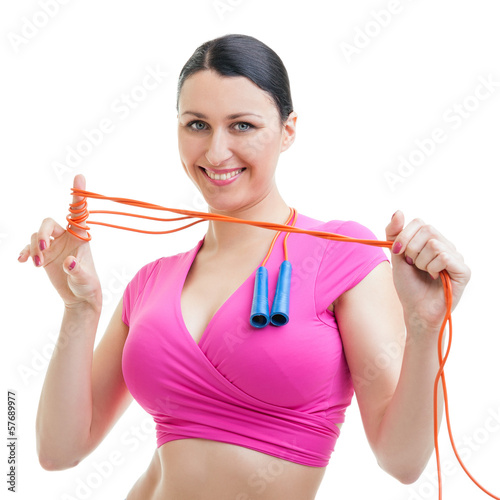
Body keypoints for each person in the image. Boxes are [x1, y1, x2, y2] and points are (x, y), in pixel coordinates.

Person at [18, 34, 471, 500]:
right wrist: (80, 307)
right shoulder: (151, 282)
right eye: (197, 124)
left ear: (288, 129)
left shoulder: (341, 256)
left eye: (242, 126)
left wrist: (424, 327)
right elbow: (59, 452)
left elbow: (402, 462)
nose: (216, 153)